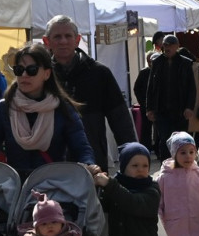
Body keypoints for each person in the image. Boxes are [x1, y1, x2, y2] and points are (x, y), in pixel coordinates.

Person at [0, 42, 95, 175]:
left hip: (53, 183)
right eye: (19, 70)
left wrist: (89, 166)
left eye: (32, 70)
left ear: (47, 74)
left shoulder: (63, 109)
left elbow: (82, 149)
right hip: (15, 185)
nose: (24, 75)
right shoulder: (4, 108)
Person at [44, 15, 137, 173]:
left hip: (93, 163)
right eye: (57, 36)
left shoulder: (99, 73)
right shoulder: (40, 75)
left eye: (68, 36)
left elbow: (121, 121)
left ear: (77, 39)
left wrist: (133, 158)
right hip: (51, 164)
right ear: (47, 41)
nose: (63, 41)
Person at [145, 34, 196, 160]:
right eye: (166, 45)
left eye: (171, 45)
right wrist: (149, 108)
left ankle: (181, 164)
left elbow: (191, 88)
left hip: (180, 110)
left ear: (177, 46)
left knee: (181, 139)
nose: (168, 48)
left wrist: (189, 107)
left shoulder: (185, 63)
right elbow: (151, 88)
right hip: (162, 110)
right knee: (164, 139)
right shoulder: (157, 63)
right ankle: (166, 165)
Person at [180, 47, 199, 151]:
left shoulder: (178, 68)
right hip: (198, 103)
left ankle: (189, 150)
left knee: (186, 130)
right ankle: (194, 150)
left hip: (182, 104)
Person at [133, 52, 159, 148]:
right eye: (149, 61)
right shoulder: (144, 72)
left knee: (159, 129)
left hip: (159, 106)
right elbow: (136, 88)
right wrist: (143, 102)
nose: (150, 63)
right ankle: (146, 147)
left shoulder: (162, 71)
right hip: (146, 106)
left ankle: (157, 147)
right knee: (146, 128)